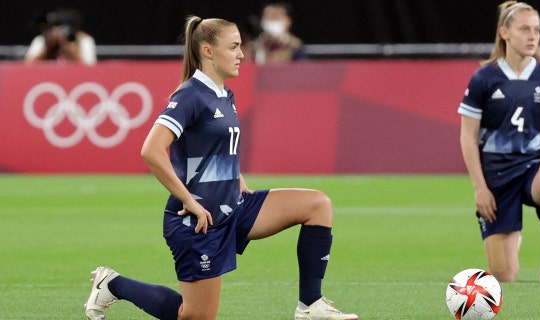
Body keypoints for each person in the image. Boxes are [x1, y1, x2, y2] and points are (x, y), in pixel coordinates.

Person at [83, 16, 357, 320]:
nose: (242, 54)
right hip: (198, 220)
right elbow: (151, 150)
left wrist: (237, 178)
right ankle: (113, 284)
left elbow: (218, 145)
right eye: (234, 47)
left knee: (317, 204)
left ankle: (310, 305)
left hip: (234, 207)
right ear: (208, 51)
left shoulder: (225, 94)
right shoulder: (189, 95)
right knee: (195, 316)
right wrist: (189, 201)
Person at [458, 1, 540, 284]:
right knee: (503, 275)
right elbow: (468, 138)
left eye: (537, 30)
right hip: (496, 178)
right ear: (505, 33)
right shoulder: (485, 78)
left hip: (532, 167)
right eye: (525, 29)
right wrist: (480, 188)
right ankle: (511, 235)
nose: (533, 36)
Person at [24, 8, 96, 65]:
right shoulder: (42, 40)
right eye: (55, 27)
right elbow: (27, 66)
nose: (59, 31)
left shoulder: (84, 40)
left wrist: (70, 49)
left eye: (63, 28)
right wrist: (48, 48)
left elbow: (91, 69)